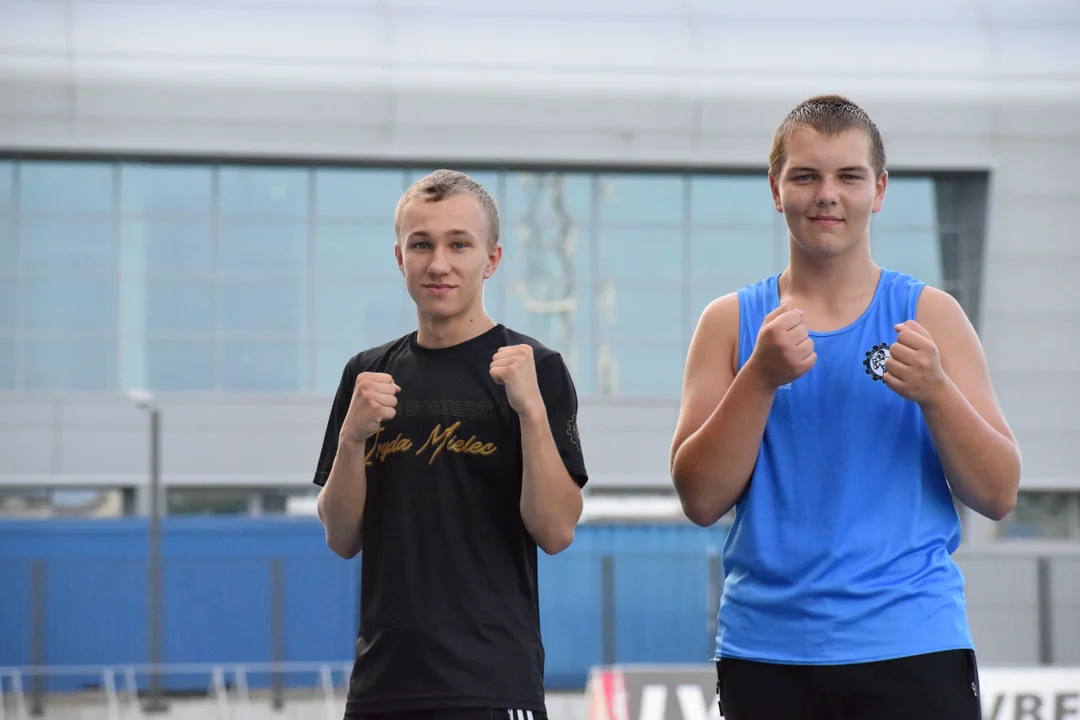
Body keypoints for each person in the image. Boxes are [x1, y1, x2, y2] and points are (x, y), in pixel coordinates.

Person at [669, 95, 1021, 720]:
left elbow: (998, 493)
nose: (827, 195)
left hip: (914, 643)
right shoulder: (730, 322)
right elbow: (699, 499)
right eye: (806, 176)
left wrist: (936, 391)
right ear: (776, 189)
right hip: (768, 650)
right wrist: (759, 378)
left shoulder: (930, 315)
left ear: (879, 189)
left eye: (849, 176)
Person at [312, 169, 589, 720]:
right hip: (381, 689)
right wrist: (351, 437)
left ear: (492, 259)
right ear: (400, 258)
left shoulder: (535, 369)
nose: (439, 263)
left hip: (494, 686)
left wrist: (531, 413)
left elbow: (556, 532)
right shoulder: (367, 376)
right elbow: (341, 537)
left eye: (459, 244)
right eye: (422, 245)